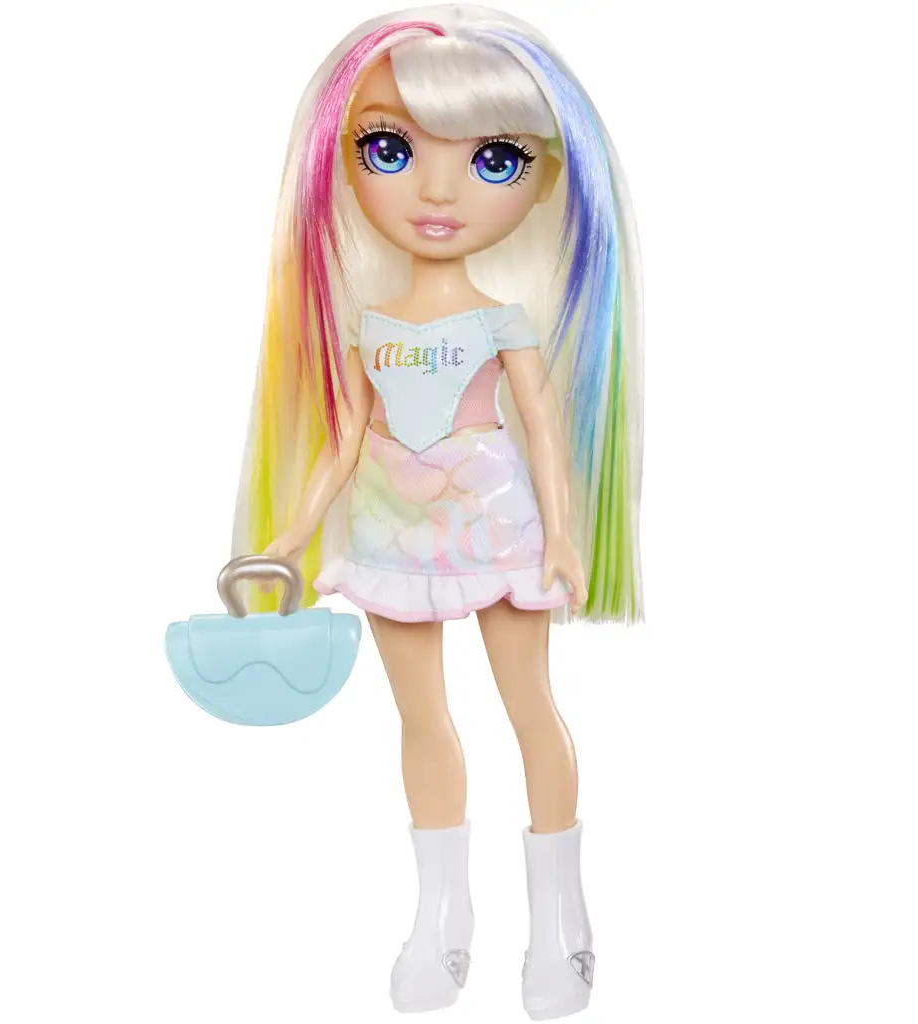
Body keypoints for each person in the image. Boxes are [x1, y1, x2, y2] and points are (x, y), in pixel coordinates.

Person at [230, 5, 643, 1017]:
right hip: (388, 525)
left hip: (492, 517)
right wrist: (292, 533)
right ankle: (441, 914)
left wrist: (563, 533)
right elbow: (342, 438)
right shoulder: (367, 324)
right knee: (420, 717)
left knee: (527, 706)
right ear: (340, 164)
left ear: (545, 177)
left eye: (494, 158)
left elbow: (542, 430)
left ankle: (560, 916)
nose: (438, 190)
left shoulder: (503, 321)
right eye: (389, 149)